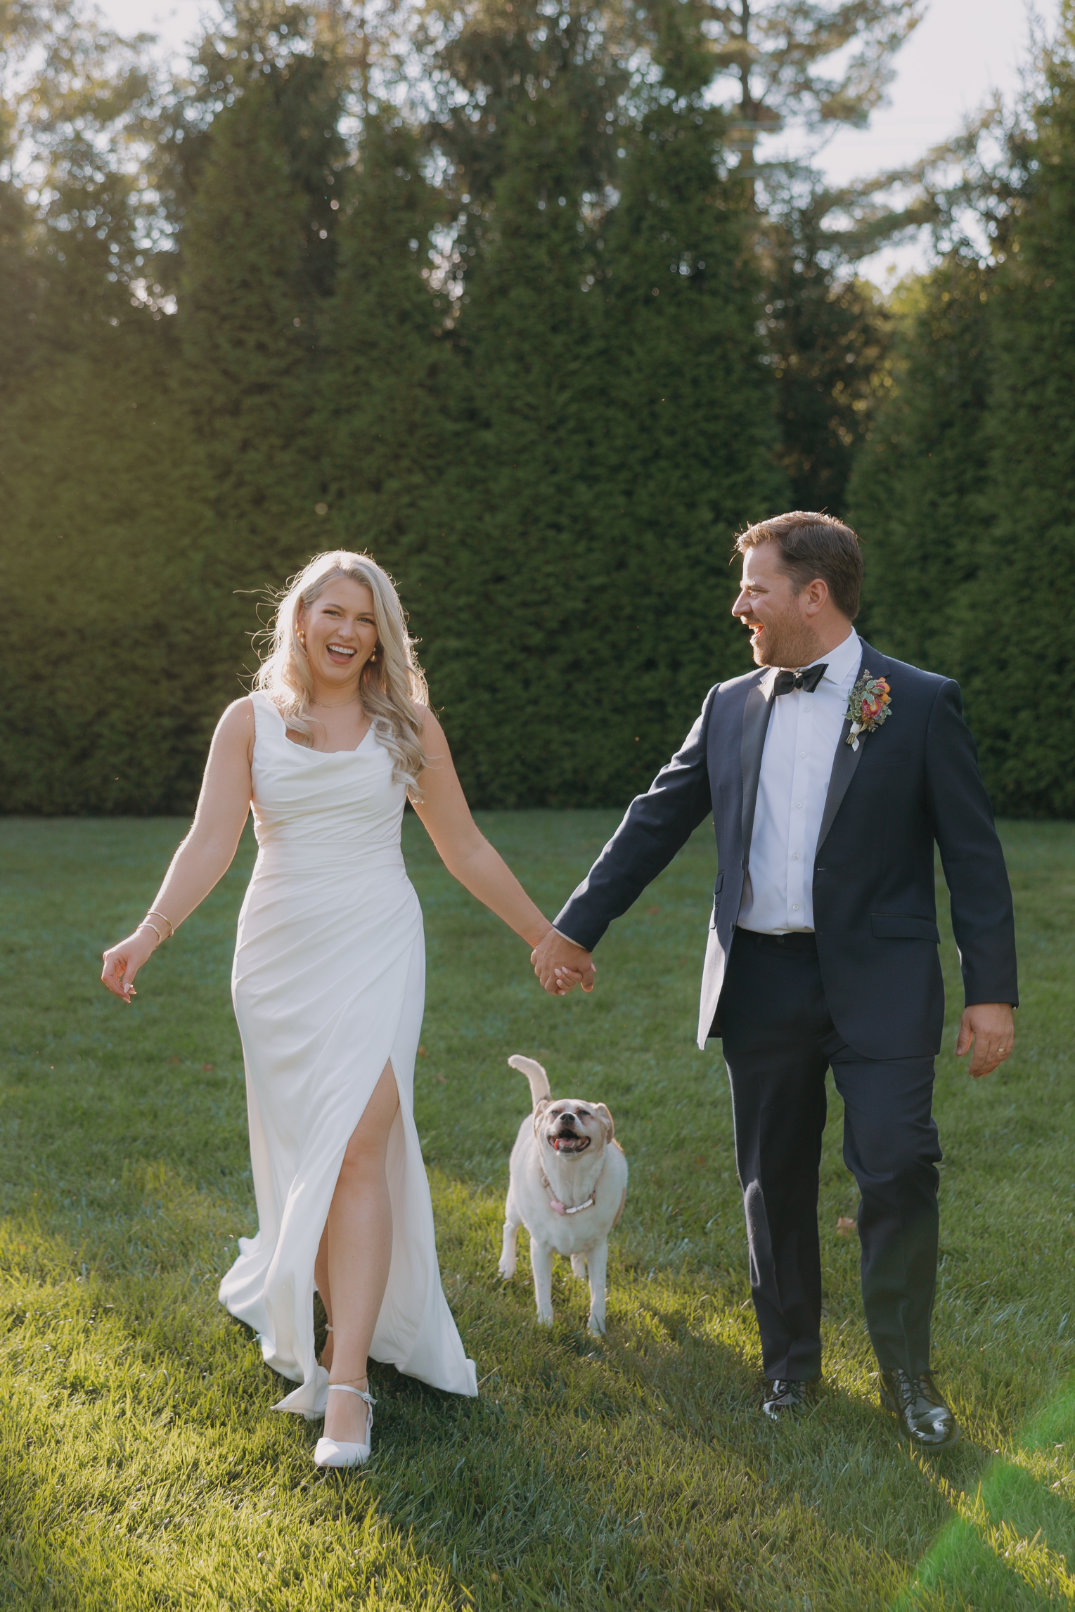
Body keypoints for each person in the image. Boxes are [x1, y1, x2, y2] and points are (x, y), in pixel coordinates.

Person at [531, 511, 1017, 1449]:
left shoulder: (913, 702)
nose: (738, 604)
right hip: (761, 980)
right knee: (773, 1183)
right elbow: (653, 820)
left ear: (814, 594)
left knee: (899, 1168)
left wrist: (989, 989)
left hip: (879, 982)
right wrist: (571, 928)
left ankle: (906, 1375)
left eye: (754, 587)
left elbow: (974, 855)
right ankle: (789, 1368)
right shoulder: (726, 705)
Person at [102, 550, 562, 1469]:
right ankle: (322, 1327)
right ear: (300, 619)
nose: (347, 633)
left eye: (365, 619)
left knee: (359, 1143)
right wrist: (146, 934)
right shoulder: (249, 722)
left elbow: (464, 848)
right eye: (333, 614)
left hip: (377, 945)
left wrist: (541, 934)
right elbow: (210, 841)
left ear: (381, 633)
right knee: (319, 1150)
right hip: (276, 961)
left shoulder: (407, 726)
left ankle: (343, 1378)